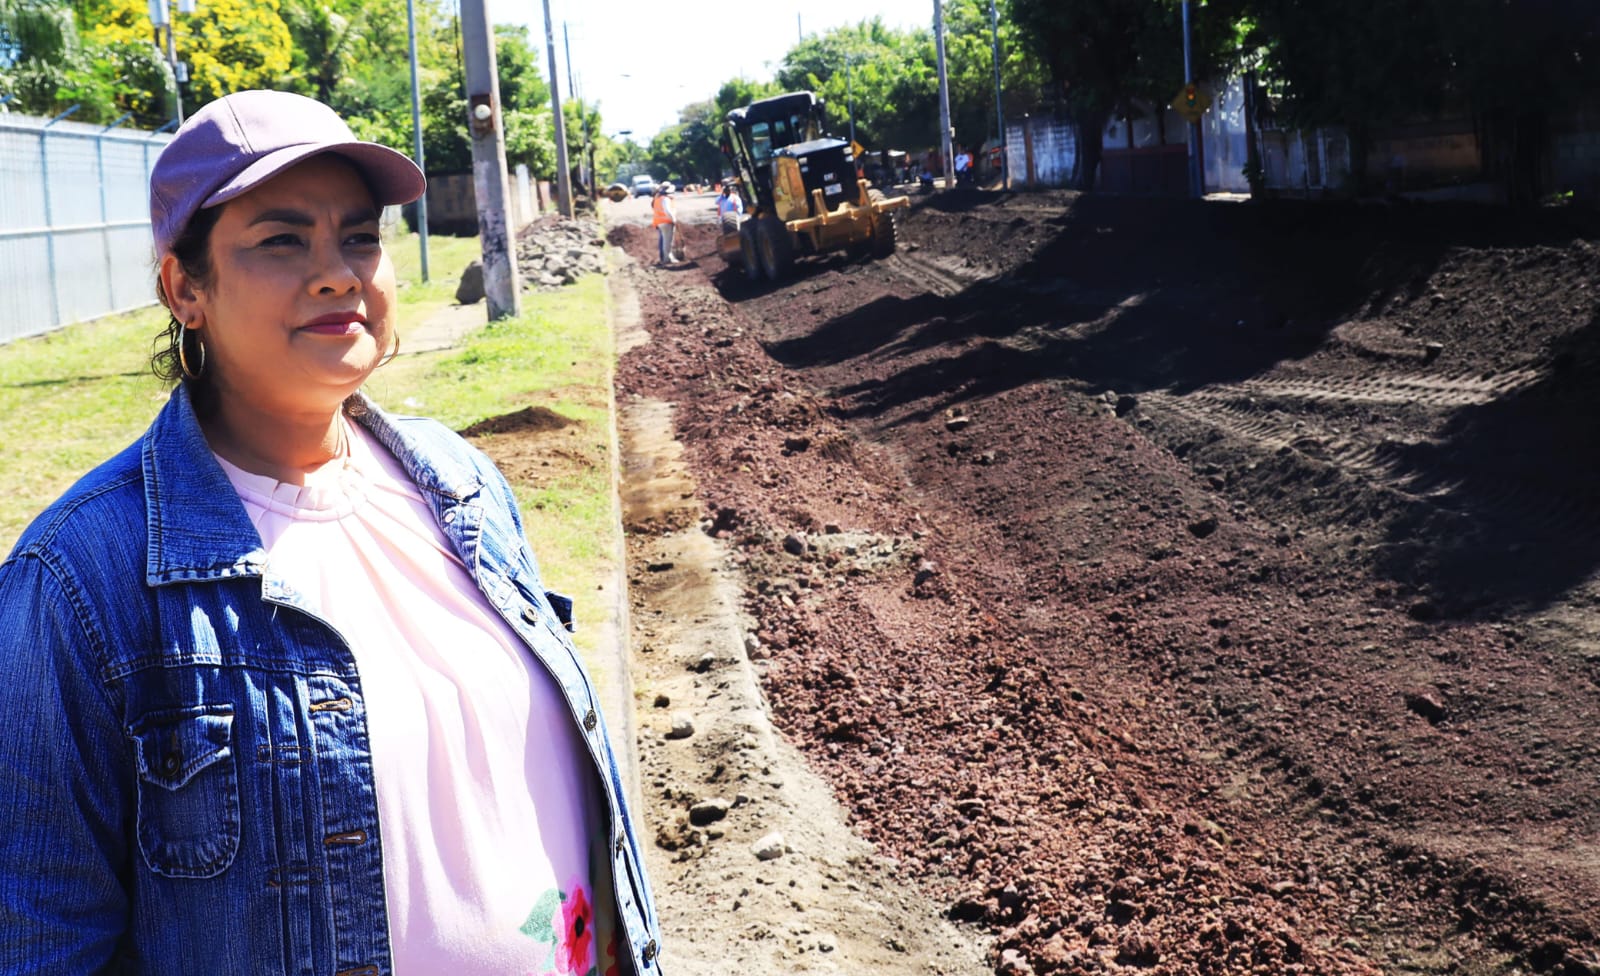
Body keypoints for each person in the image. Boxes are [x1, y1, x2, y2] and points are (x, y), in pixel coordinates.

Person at [0, 89, 663, 976]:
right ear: (184, 286)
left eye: (359, 235)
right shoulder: (79, 580)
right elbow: (42, 936)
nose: (339, 273)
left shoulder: (460, 482)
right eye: (282, 240)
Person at [650, 182, 677, 265]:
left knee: (665, 240)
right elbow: (667, 211)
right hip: (666, 222)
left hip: (659, 222)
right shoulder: (665, 199)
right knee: (667, 241)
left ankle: (668, 256)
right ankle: (667, 258)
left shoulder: (657, 198)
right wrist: (673, 219)